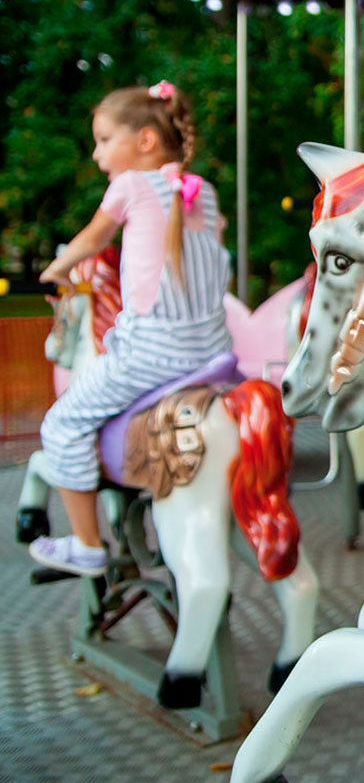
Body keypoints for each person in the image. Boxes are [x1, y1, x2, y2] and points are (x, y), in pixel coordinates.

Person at [31, 81, 233, 577]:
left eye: (103, 140)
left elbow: (93, 240)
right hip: (212, 355)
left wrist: (56, 271)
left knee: (61, 424)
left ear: (144, 141)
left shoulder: (129, 186)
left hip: (150, 354)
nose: (98, 154)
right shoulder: (201, 191)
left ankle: (86, 545)